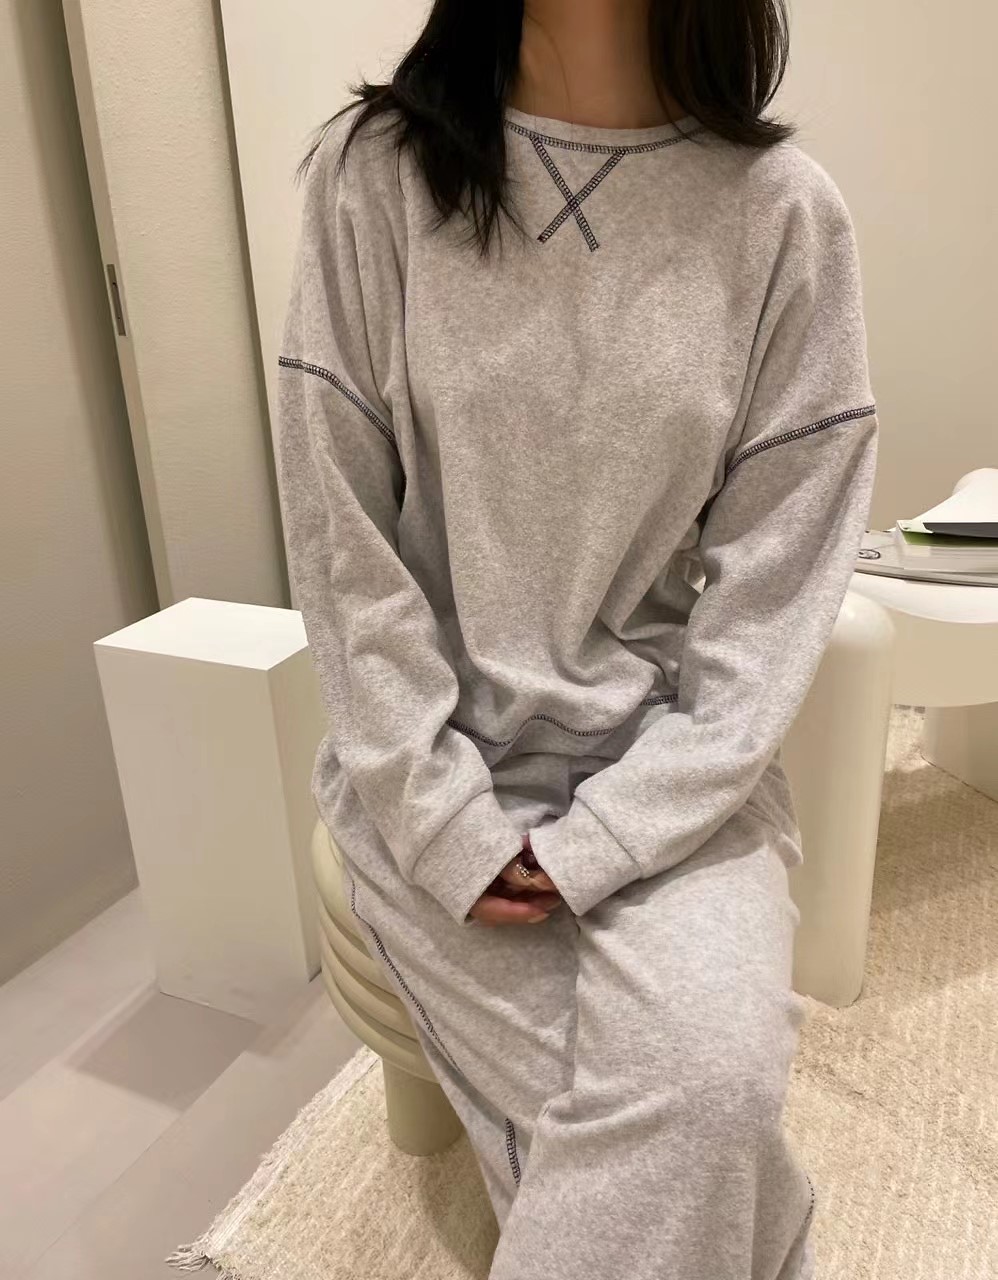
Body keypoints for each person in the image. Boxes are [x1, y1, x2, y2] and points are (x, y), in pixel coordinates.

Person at [275, 0, 878, 1275]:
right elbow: (343, 549)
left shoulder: (782, 216)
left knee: (705, 1093)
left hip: (670, 783)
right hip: (431, 768)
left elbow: (771, 599)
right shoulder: (373, 180)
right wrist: (440, 815)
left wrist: (617, 828)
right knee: (697, 1134)